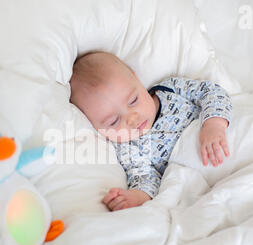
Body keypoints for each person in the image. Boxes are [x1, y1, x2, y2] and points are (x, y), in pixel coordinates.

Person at [69, 52, 232, 211]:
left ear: (137, 79)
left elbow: (212, 92)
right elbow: (147, 179)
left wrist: (214, 124)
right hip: (206, 173)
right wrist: (134, 197)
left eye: (133, 100)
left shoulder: (170, 90)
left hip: (227, 136)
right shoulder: (127, 148)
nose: (132, 119)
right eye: (114, 121)